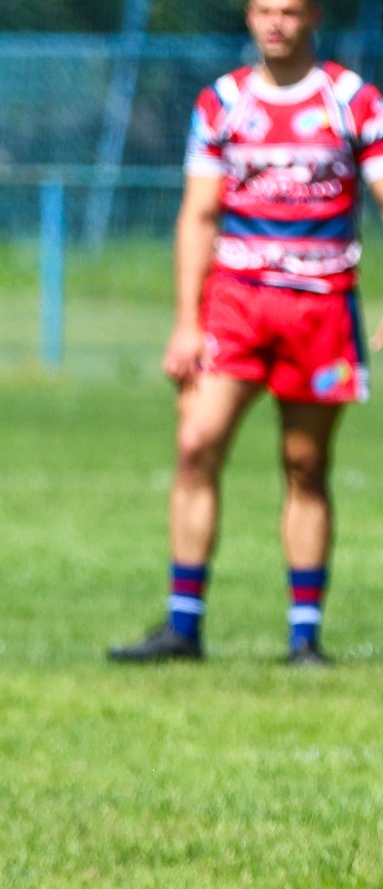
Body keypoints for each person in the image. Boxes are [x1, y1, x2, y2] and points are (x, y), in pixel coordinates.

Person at [110, 0, 383, 666]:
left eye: (289, 10)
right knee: (195, 443)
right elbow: (199, 215)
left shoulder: (354, 101)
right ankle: (183, 627)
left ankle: (304, 638)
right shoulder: (223, 102)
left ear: (313, 15)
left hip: (321, 307)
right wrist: (185, 321)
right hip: (236, 306)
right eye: (263, 9)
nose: (275, 23)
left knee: (305, 464)